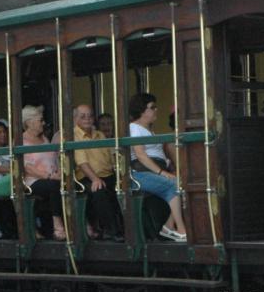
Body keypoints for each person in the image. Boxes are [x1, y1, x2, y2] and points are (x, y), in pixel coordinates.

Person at [128, 92, 188, 242]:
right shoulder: (134, 127)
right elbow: (140, 155)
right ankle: (180, 230)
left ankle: (168, 227)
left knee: (184, 183)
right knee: (175, 185)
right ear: (142, 110)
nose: (156, 110)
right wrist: (162, 172)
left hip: (153, 171)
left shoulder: (149, 130)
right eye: (152, 107)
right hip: (140, 173)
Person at [73, 103, 123, 241]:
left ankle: (127, 229)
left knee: (125, 187)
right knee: (99, 190)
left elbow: (110, 158)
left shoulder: (99, 134)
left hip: (107, 175)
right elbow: (82, 162)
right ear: (76, 119)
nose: (87, 119)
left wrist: (119, 175)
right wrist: (95, 178)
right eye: (83, 117)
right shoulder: (73, 136)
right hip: (86, 177)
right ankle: (111, 231)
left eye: (90, 116)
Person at [21, 105, 65, 240]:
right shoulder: (21, 141)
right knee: (54, 186)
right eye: (40, 120)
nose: (44, 123)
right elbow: (27, 167)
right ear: (29, 122)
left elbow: (52, 160)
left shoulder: (44, 138)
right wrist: (49, 176)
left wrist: (58, 173)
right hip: (32, 182)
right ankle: (58, 225)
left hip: (51, 178)